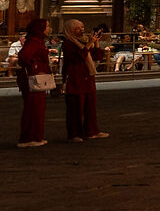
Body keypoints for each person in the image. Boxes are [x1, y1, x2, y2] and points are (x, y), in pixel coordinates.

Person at [59, 18, 107, 142]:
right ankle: (75, 134)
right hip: (75, 77)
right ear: (70, 30)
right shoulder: (68, 43)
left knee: (90, 106)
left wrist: (96, 43)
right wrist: (90, 44)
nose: (82, 30)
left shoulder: (84, 41)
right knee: (75, 107)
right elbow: (78, 57)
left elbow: (97, 56)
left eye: (82, 27)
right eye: (78, 28)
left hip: (87, 76)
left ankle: (92, 131)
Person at [14, 15, 54, 147]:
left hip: (34, 79)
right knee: (34, 109)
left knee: (35, 108)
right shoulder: (35, 42)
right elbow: (24, 56)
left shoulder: (36, 41)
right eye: (47, 26)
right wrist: (35, 67)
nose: (49, 29)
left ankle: (33, 136)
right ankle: (30, 137)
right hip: (34, 80)